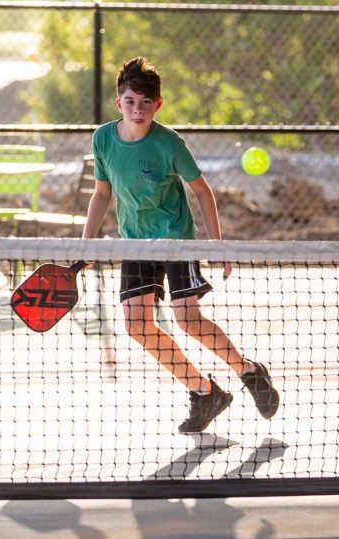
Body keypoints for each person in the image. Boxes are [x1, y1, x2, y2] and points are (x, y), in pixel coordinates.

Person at [81, 56, 279, 433]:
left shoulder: (170, 143)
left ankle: (248, 371)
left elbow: (203, 192)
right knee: (137, 327)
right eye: (129, 101)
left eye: (145, 103)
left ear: (159, 105)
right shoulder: (103, 139)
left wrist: (216, 244)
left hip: (176, 241)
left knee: (188, 321)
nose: (137, 110)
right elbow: (102, 193)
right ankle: (205, 393)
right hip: (135, 245)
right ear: (117, 103)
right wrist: (85, 245)